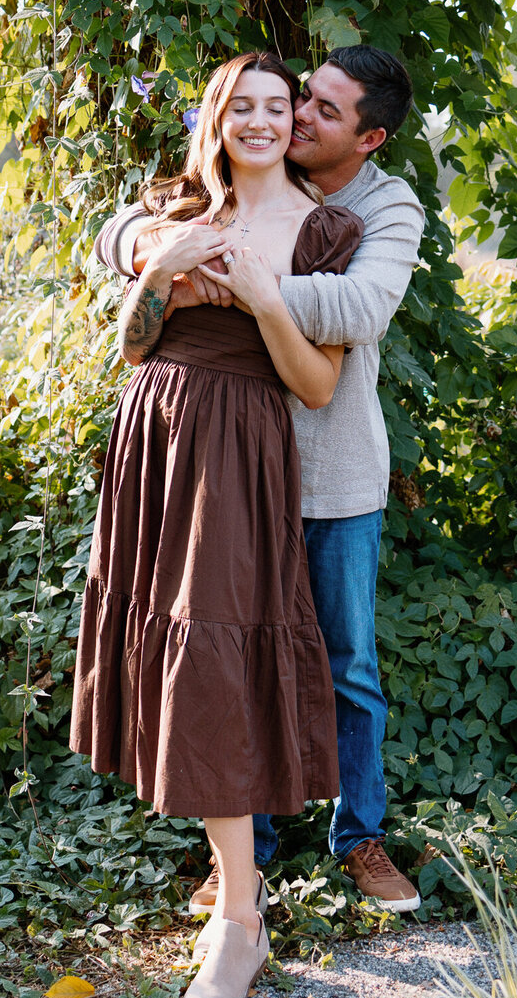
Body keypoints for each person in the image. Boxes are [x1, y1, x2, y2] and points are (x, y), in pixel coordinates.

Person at [93, 45, 424, 913]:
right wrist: (157, 252)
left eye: (319, 110)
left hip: (329, 471)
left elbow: (357, 310)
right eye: (296, 98)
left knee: (341, 661)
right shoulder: (202, 197)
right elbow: (117, 237)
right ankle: (246, 857)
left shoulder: (378, 210)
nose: (297, 117)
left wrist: (241, 281)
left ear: (370, 137)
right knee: (226, 648)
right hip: (220, 467)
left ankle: (360, 838)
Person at [71, 52, 363, 998]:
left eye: (278, 107)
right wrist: (162, 265)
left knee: (214, 661)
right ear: (217, 117)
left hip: (241, 448)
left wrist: (268, 299)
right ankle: (232, 899)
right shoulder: (178, 209)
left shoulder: (321, 231)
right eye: (242, 106)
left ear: (296, 123)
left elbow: (316, 385)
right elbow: (132, 339)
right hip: (155, 437)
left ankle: (241, 919)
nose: (262, 121)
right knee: (175, 652)